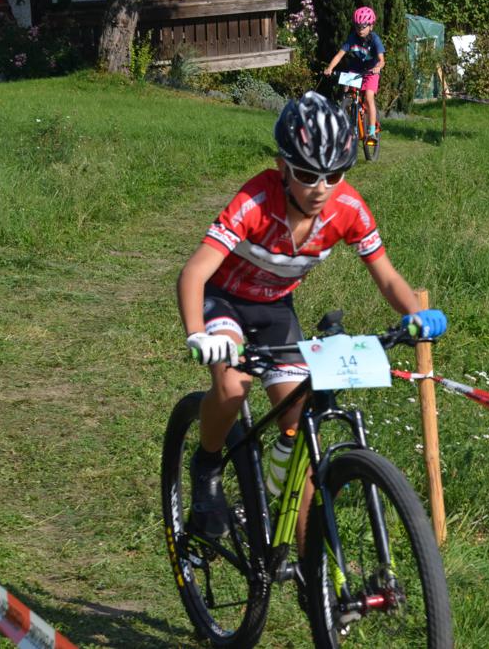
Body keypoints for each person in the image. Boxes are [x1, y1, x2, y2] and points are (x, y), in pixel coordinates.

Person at [176, 91, 447, 539]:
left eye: (333, 175)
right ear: (282, 168)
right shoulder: (255, 200)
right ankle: (206, 465)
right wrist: (197, 334)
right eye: (306, 174)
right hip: (223, 300)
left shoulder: (348, 209)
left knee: (299, 422)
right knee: (234, 385)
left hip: (274, 309)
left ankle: (307, 565)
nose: (321, 188)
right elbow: (194, 273)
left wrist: (418, 316)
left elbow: (387, 278)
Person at [323, 6, 385, 140]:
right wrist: (330, 68)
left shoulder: (375, 39)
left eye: (363, 27)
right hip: (355, 69)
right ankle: (351, 117)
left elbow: (382, 60)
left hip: (371, 71)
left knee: (368, 97)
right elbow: (339, 55)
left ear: (371, 26)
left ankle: (372, 132)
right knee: (346, 91)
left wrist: (378, 67)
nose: (360, 30)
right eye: (357, 26)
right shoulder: (352, 38)